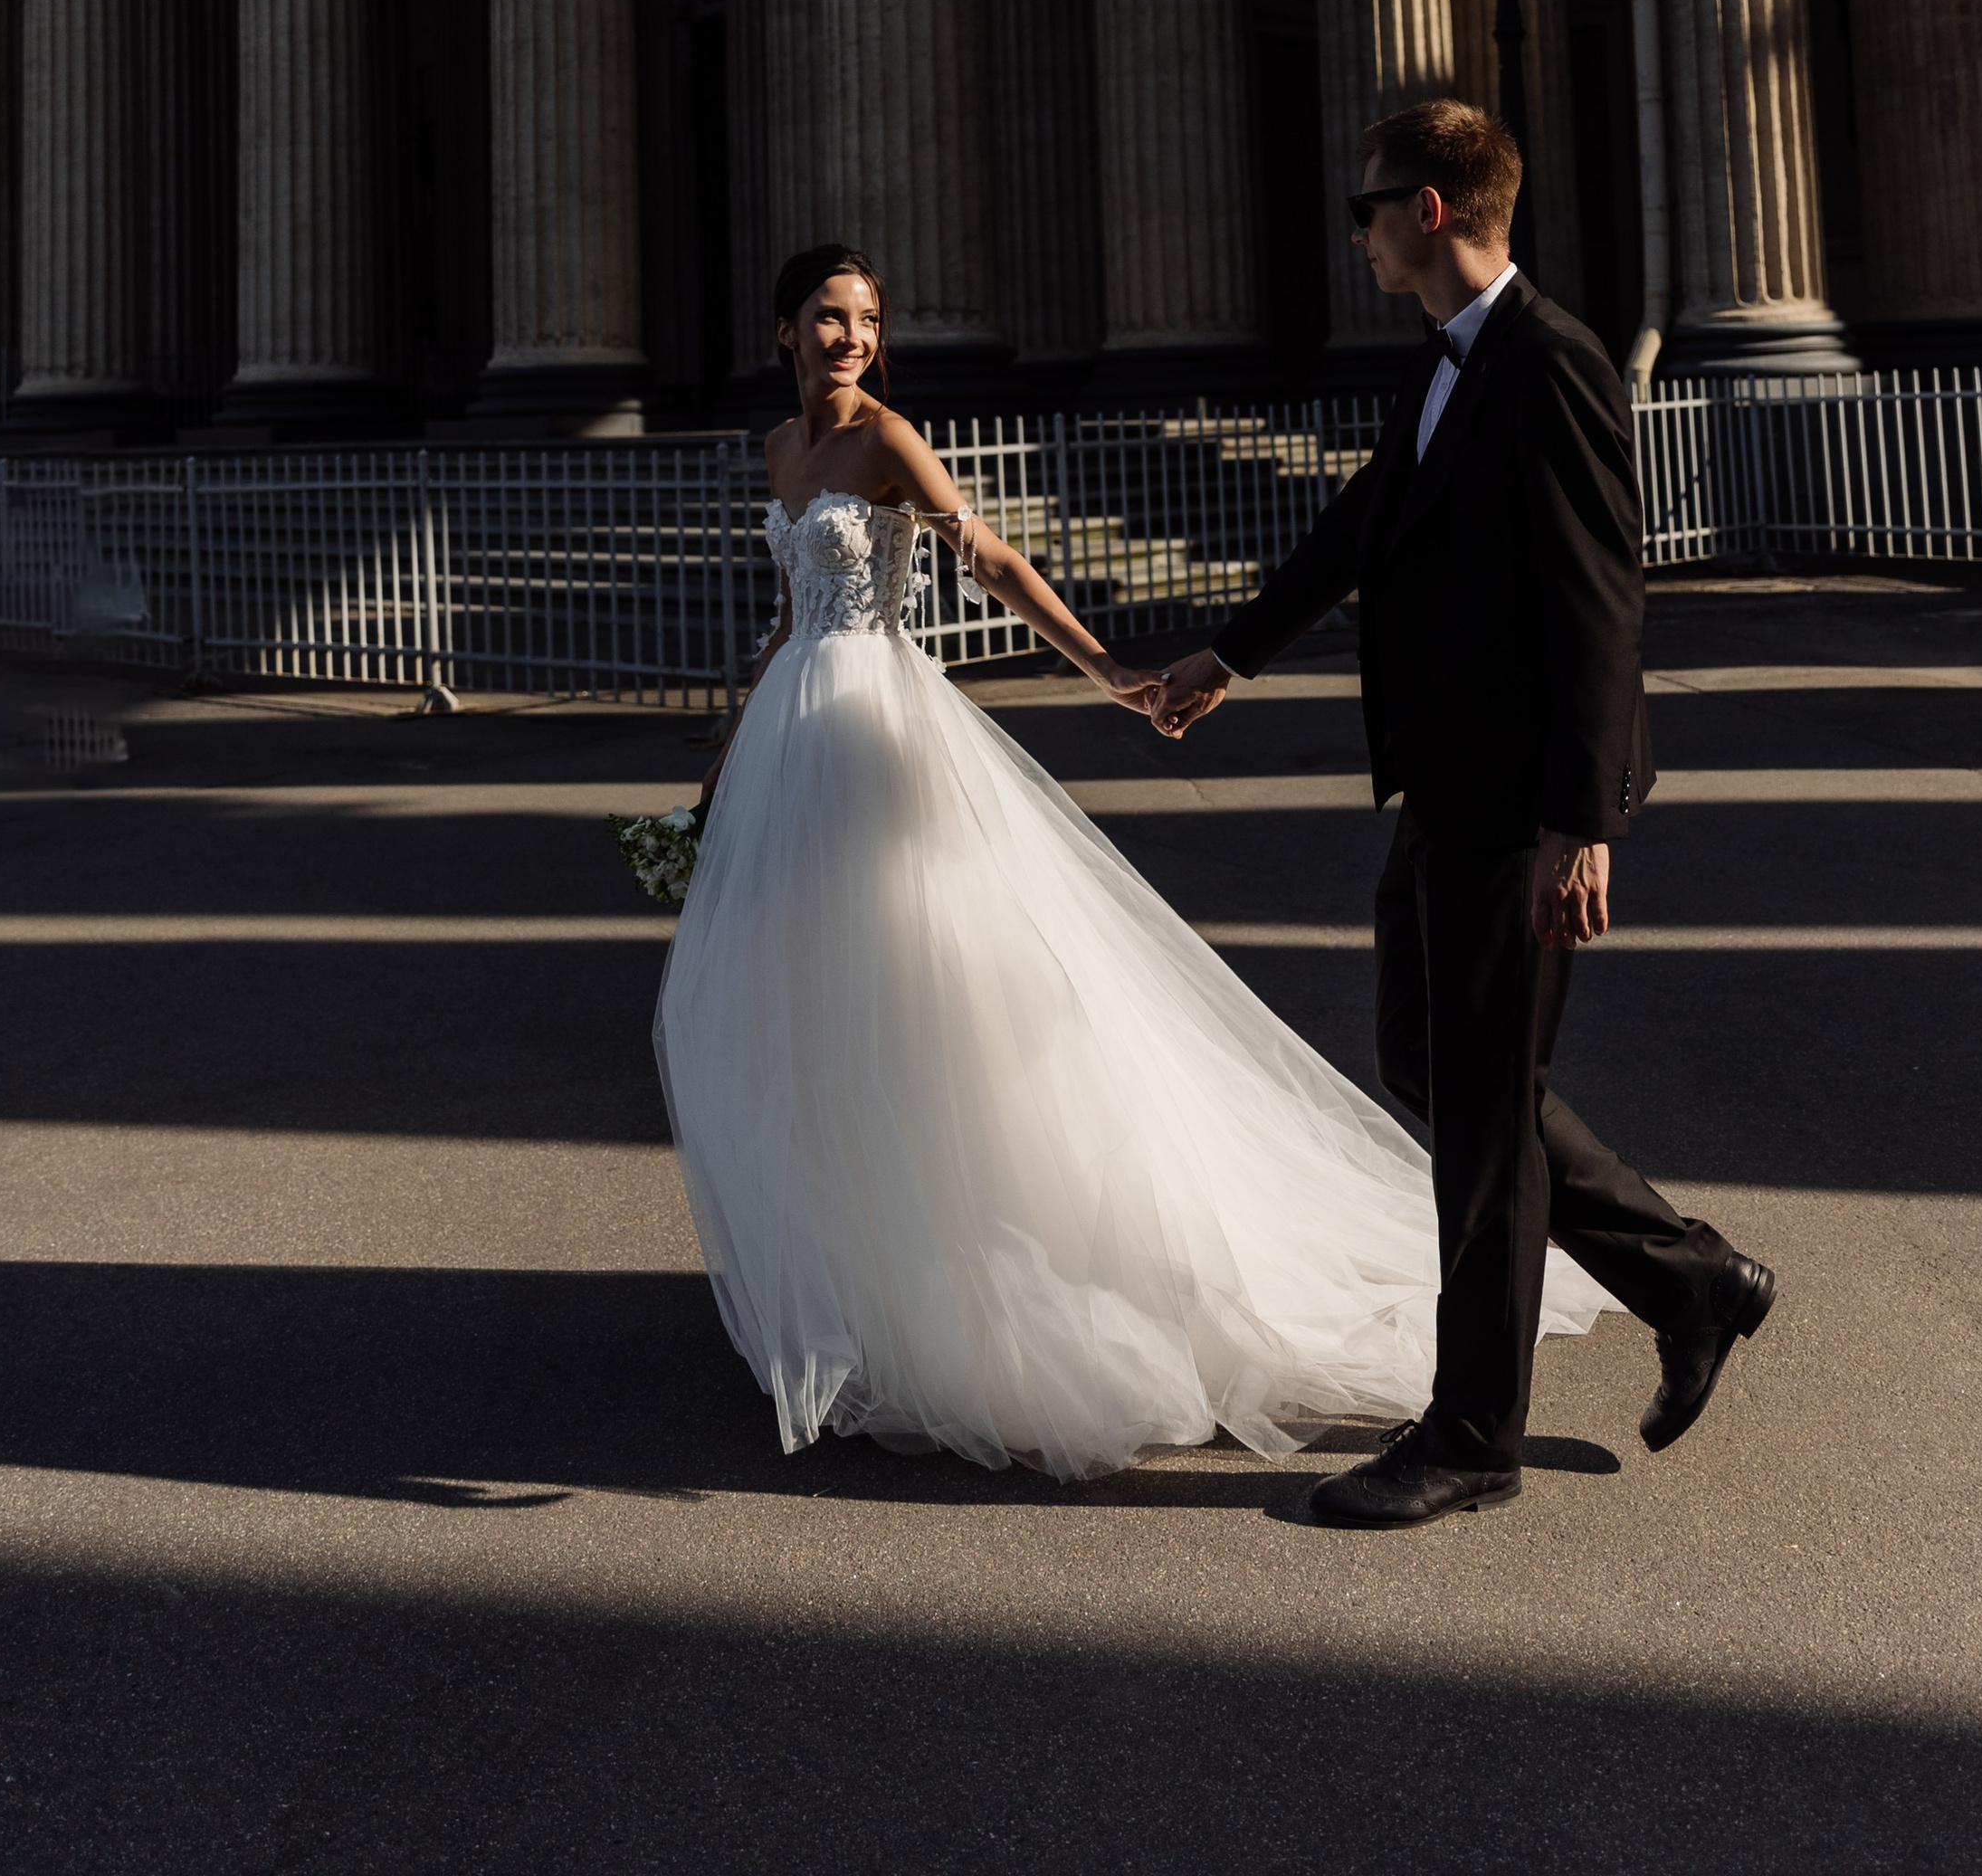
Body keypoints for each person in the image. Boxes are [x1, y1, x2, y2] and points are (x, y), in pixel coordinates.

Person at [653, 237, 1617, 1482]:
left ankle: (988, 1300)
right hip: (796, 741)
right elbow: (789, 619)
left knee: (930, 1009)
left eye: (867, 319)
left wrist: (1107, 670)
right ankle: (864, 1292)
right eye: (829, 319)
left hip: (884, 742)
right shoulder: (780, 453)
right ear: (782, 331)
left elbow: (987, 558)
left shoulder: (888, 441)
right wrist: (728, 759)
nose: (851, 338)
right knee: (817, 1020)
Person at [1158, 98, 1777, 1528]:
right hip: (1445, 789)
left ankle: (1473, 1435)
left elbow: (1599, 604)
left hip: (1520, 807)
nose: (1358, 232)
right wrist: (1225, 659)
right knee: (1431, 1068)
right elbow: (1360, 528)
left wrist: (1582, 823)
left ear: (1429, 209)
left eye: (1367, 207)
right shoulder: (1443, 367)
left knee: (1485, 1117)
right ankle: (1694, 1281)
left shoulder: (1547, 361)